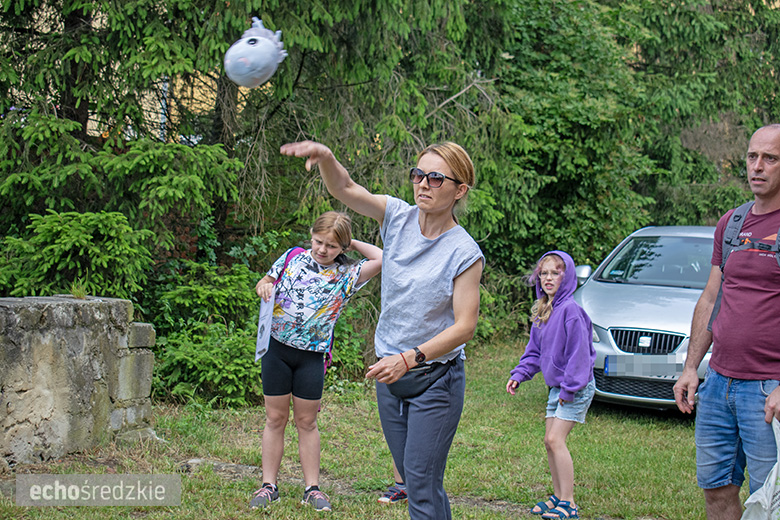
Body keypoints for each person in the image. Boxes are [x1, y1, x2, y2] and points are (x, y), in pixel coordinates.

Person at [280, 140, 484, 520]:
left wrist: (410, 358)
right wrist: (328, 157)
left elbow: (465, 326)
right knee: (416, 478)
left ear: (460, 190)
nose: (422, 184)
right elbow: (345, 189)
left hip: (433, 377)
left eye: (435, 178)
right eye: (418, 175)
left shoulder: (464, 251)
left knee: (420, 484)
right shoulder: (397, 216)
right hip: (389, 377)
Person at [673, 124, 780, 520]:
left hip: (770, 390)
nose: (758, 166)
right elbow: (712, 297)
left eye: (770, 158)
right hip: (719, 385)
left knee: (773, 500)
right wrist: (689, 368)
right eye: (753, 156)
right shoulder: (731, 224)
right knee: (717, 490)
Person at [249, 211, 382, 512]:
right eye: (319, 241)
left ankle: (312, 489)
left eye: (332, 246)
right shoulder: (292, 256)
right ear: (310, 235)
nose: (323, 250)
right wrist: (264, 287)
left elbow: (382, 258)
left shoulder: (349, 273)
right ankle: (269, 484)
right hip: (276, 350)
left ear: (342, 249)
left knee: (307, 422)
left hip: (311, 357)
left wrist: (348, 241)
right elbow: (265, 281)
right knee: (275, 419)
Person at [506, 251, 596, 520]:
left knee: (555, 440)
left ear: (566, 277)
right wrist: (520, 373)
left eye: (555, 273)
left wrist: (569, 389)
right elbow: (534, 351)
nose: (548, 278)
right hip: (557, 387)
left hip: (575, 387)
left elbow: (580, 357)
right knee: (549, 442)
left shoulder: (571, 312)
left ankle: (569, 504)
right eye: (543, 273)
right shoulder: (543, 309)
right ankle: (557, 497)